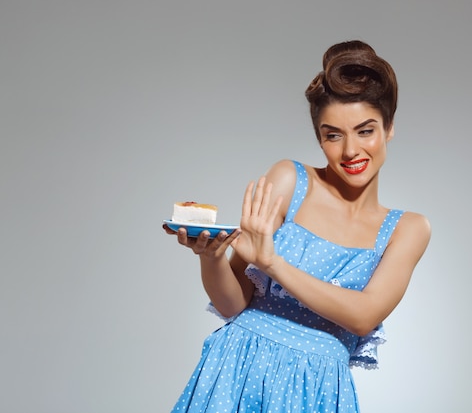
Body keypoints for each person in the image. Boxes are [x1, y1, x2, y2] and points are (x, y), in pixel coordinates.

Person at [163, 40, 431, 413]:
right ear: (320, 138)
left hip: (316, 391)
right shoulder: (290, 180)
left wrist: (274, 265)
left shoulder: (409, 228)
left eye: (365, 130)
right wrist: (211, 259)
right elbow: (232, 304)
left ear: (389, 128)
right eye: (332, 134)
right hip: (236, 370)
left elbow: (363, 316)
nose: (351, 150)